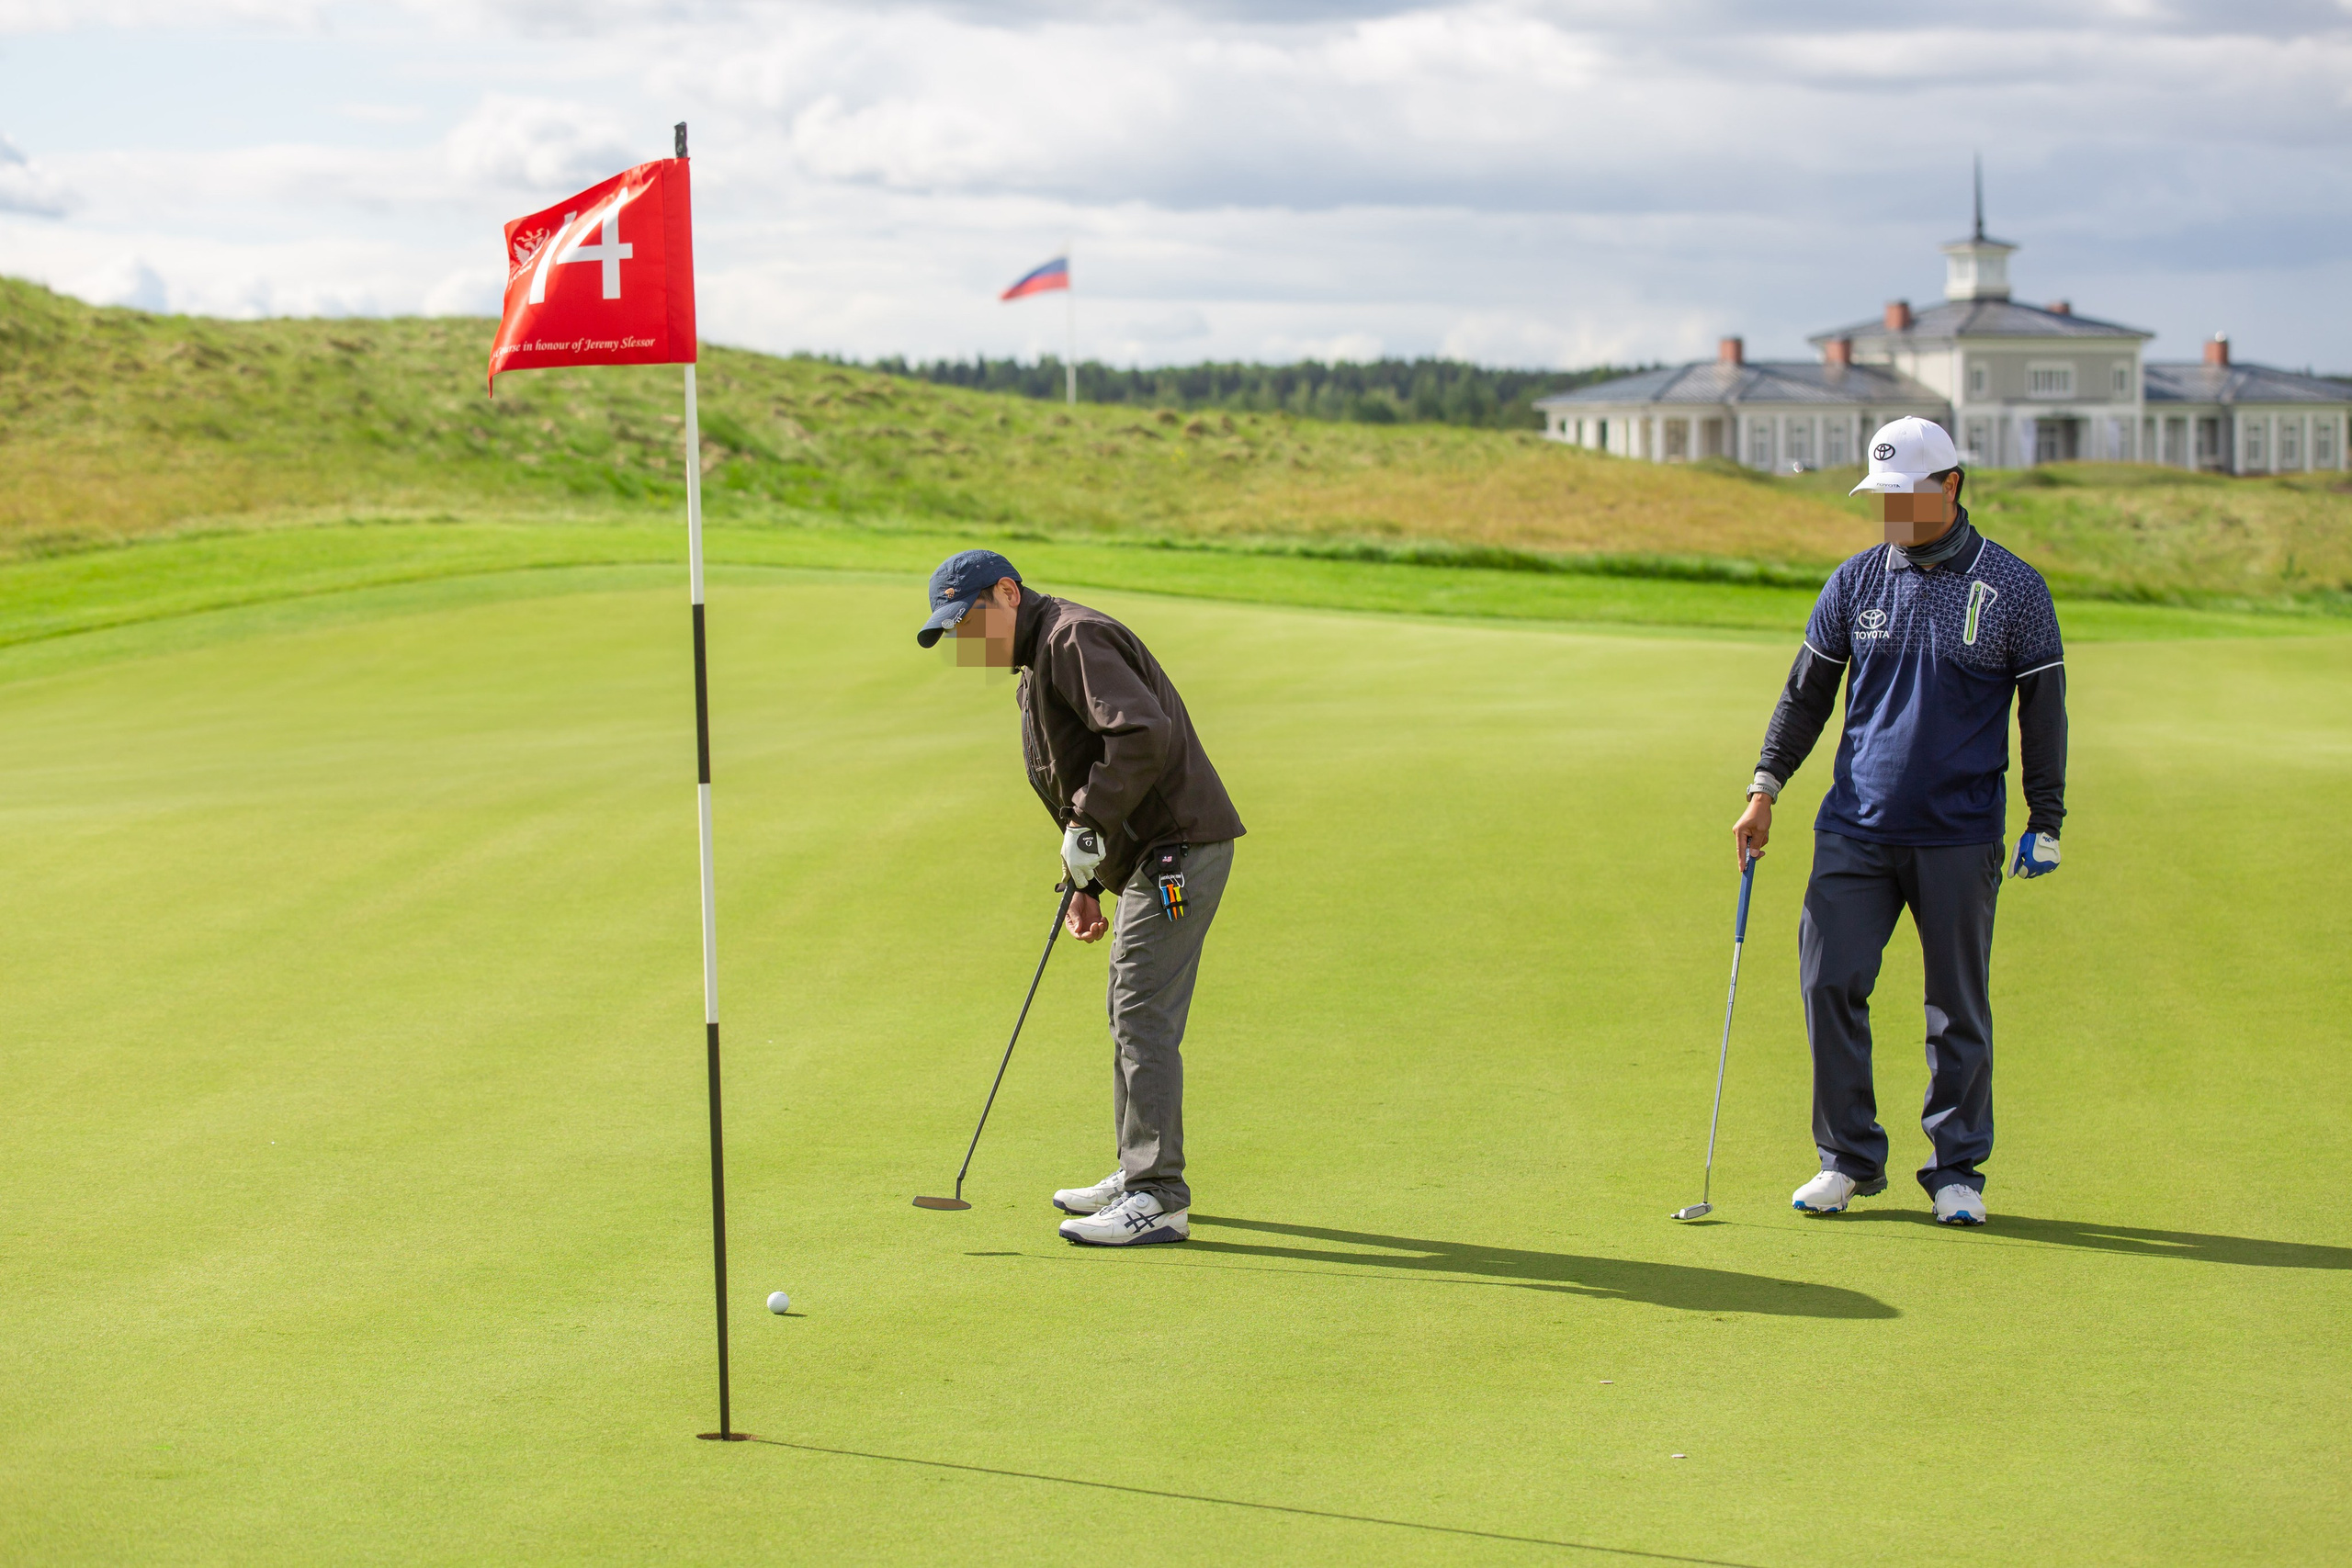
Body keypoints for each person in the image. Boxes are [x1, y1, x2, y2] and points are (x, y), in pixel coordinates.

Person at [1732, 417, 2066, 1227]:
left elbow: (2043, 711)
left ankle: (1956, 1170)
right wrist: (1764, 786)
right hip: (1855, 824)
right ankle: (1847, 1158)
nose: (1888, 515)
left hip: (1959, 831)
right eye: (1879, 499)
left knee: (1956, 1004)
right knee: (1828, 978)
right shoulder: (1855, 581)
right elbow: (1806, 695)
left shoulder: (2014, 589)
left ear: (1949, 487)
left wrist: (2045, 815)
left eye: (1902, 497)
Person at [916, 549, 1245, 1247]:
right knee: (1128, 1008)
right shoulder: (1040, 662)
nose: (965, 642)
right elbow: (1074, 779)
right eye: (954, 632)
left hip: (1178, 850)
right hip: (1152, 855)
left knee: (1139, 1010)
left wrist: (1090, 826)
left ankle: (1158, 1194)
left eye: (970, 621)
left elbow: (1140, 733)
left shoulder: (1072, 638)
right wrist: (1086, 883)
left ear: (1008, 592)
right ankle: (1138, 1172)